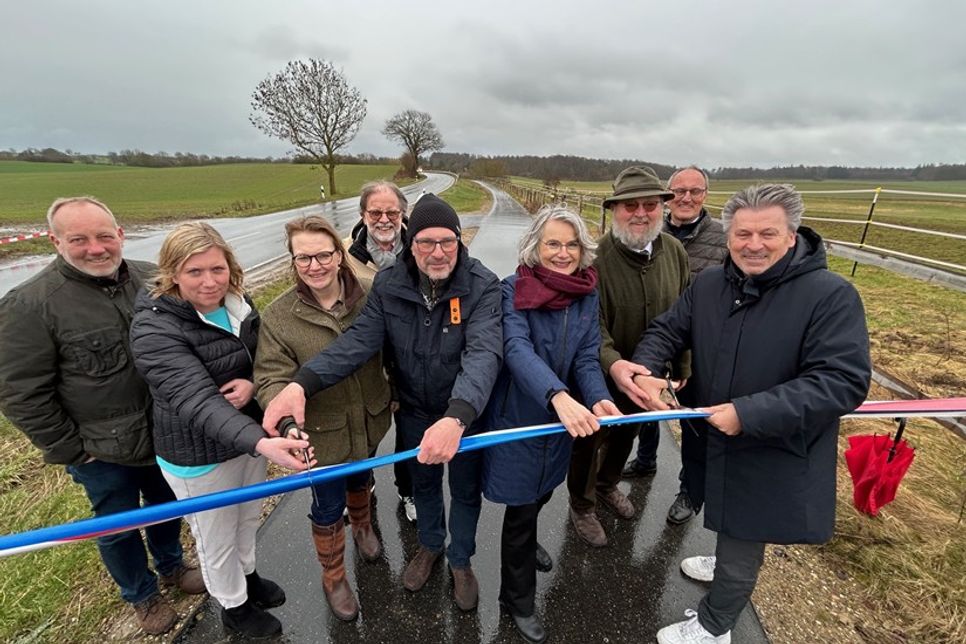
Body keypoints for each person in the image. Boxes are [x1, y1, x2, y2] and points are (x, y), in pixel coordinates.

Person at [628, 184, 870, 644]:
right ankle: (722, 565)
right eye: (742, 233)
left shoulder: (830, 296)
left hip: (771, 445)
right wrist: (645, 370)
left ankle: (714, 626)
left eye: (767, 233)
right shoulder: (711, 284)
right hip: (709, 435)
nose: (752, 245)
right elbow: (667, 330)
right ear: (729, 234)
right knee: (720, 510)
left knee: (745, 537)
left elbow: (842, 381)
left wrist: (749, 413)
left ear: (792, 236)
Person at [262, 194, 502, 612]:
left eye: (448, 242)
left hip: (464, 416)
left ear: (461, 242)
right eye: (427, 242)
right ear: (411, 244)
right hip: (413, 409)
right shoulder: (390, 285)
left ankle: (461, 560)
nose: (438, 252)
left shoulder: (483, 285)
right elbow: (358, 341)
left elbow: (483, 354)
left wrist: (458, 417)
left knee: (465, 491)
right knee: (422, 484)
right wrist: (302, 383)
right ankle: (430, 546)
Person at [0, 197, 205, 635]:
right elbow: (20, 393)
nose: (95, 248)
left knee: (167, 505)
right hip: (101, 451)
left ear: (120, 235)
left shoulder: (154, 279)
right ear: (56, 241)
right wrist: (73, 450)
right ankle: (142, 596)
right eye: (79, 239)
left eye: (103, 236)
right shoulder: (30, 305)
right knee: (117, 526)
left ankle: (171, 566)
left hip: (165, 433)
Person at [129, 222, 313, 639]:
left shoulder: (238, 302)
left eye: (217, 269)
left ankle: (247, 581)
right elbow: (197, 401)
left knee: (246, 519)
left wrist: (252, 381)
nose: (210, 282)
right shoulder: (154, 328)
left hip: (246, 441)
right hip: (199, 455)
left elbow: (260, 354)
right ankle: (232, 606)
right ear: (173, 273)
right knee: (216, 539)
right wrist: (263, 442)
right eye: (195, 272)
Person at [482, 205, 619, 643]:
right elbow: (517, 350)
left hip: (562, 422)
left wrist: (597, 397)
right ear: (535, 248)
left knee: (542, 492)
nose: (563, 253)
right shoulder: (512, 289)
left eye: (571, 244)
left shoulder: (586, 294)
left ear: (583, 249)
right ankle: (515, 599)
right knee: (520, 510)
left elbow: (586, 354)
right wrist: (558, 396)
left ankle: (526, 547)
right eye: (553, 244)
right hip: (523, 417)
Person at [254, 215, 392, 621]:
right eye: (303, 258)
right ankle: (333, 576)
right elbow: (270, 378)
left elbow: (395, 352)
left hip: (369, 420)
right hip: (320, 436)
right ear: (292, 262)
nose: (314, 265)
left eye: (322, 255)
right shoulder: (279, 317)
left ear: (339, 254)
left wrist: (397, 394)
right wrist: (286, 425)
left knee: (362, 477)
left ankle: (364, 526)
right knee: (327, 507)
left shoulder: (372, 296)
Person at [566, 166, 690, 547]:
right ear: (614, 210)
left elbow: (686, 312)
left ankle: (607, 484)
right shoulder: (593, 259)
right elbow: (590, 326)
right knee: (589, 442)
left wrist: (681, 367)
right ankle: (582, 504)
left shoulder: (675, 252)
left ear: (662, 208)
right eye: (629, 206)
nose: (640, 213)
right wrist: (613, 364)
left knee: (628, 435)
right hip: (599, 376)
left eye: (650, 205)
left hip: (649, 380)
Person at [621, 165, 727, 526]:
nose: (686, 198)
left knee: (695, 425)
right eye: (679, 191)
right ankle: (646, 461)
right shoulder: (650, 230)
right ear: (668, 195)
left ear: (704, 196)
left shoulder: (724, 239)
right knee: (649, 412)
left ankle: (690, 491)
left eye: (694, 191)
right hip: (653, 344)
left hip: (699, 351)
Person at [345, 180, 416, 522]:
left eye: (392, 212)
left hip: (410, 359)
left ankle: (408, 491)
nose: (384, 219)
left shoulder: (421, 248)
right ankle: (363, 492)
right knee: (365, 433)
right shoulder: (343, 255)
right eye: (375, 212)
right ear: (363, 215)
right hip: (366, 361)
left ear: (403, 214)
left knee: (410, 433)